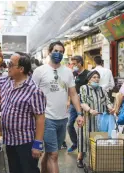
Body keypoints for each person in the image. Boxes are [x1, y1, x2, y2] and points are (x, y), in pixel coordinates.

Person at [32, 41, 84, 173]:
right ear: (49, 52)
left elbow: (73, 93)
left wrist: (79, 113)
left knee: (49, 153)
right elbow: (31, 93)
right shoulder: (40, 71)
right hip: (46, 117)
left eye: (61, 52)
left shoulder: (68, 72)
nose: (58, 54)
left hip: (63, 118)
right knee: (54, 155)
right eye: (55, 51)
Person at [78, 70, 115, 168]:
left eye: (98, 77)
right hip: (87, 118)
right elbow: (82, 102)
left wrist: (111, 108)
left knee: (97, 139)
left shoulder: (102, 89)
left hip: (100, 119)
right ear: (89, 79)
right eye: (94, 77)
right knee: (84, 138)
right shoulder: (84, 88)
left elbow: (107, 101)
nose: (96, 79)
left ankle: (94, 161)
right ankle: (80, 158)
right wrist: (90, 110)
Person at [67, 55, 90, 153]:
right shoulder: (73, 74)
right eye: (72, 63)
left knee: (83, 126)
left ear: (80, 63)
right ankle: (75, 143)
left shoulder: (88, 74)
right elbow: (70, 89)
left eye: (74, 63)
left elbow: (90, 88)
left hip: (84, 104)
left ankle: (84, 148)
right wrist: (68, 100)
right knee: (69, 125)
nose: (72, 65)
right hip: (73, 103)